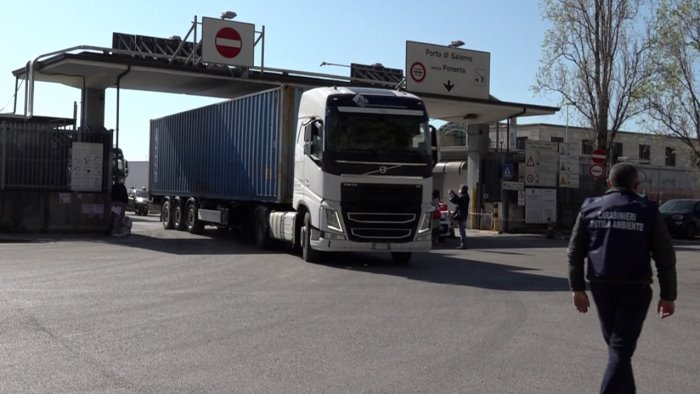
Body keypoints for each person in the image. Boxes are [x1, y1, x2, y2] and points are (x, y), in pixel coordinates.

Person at [567, 162, 677, 393]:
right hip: (635, 290)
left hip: (601, 287)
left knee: (619, 349)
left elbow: (575, 251)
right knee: (620, 349)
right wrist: (668, 295)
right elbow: (665, 256)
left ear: (609, 183)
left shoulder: (590, 207)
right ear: (636, 185)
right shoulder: (647, 209)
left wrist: (577, 288)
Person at [449, 184, 470, 249]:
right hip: (463, 215)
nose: (460, 190)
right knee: (461, 230)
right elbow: (458, 200)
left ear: (463, 189)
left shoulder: (464, 196)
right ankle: (463, 244)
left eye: (460, 189)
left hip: (461, 215)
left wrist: (452, 195)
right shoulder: (465, 196)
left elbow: (457, 201)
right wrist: (454, 194)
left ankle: (463, 244)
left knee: (462, 231)